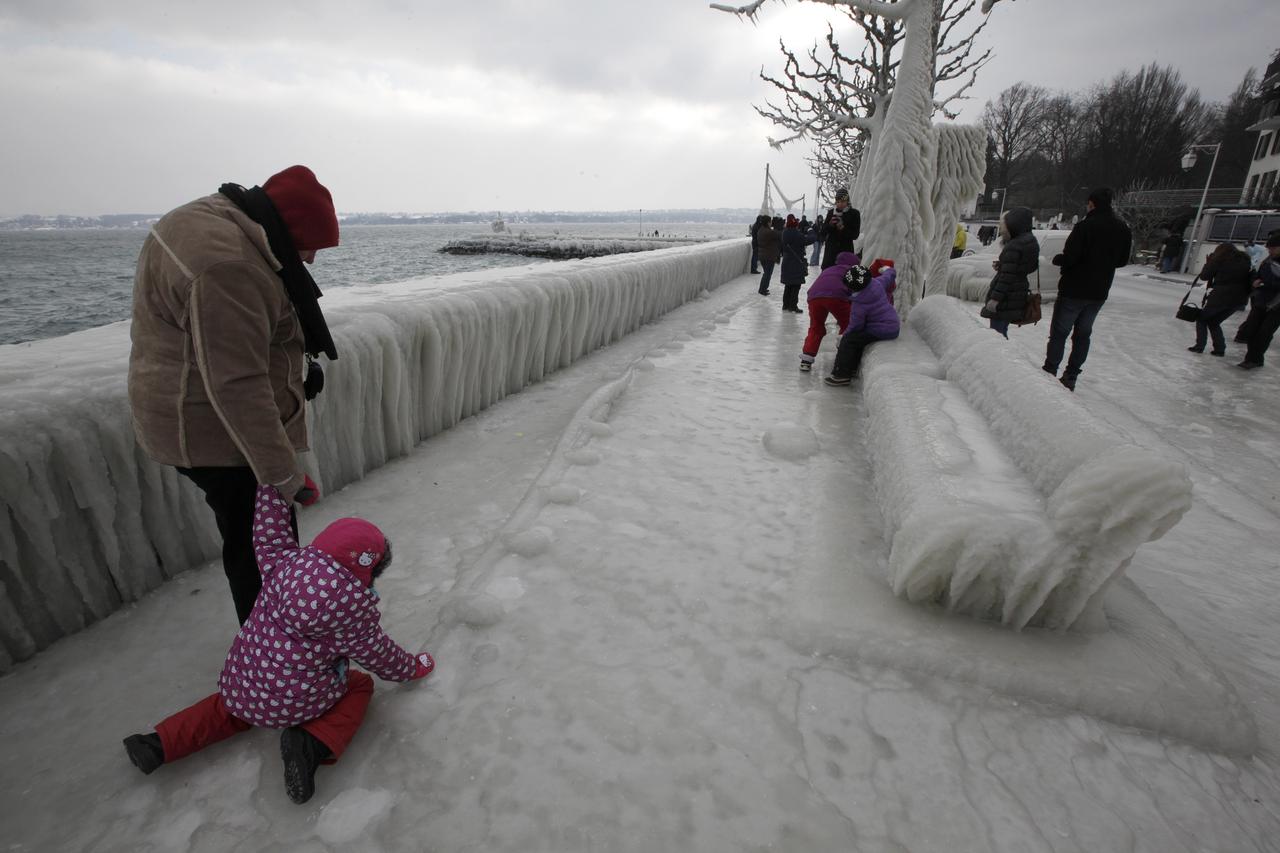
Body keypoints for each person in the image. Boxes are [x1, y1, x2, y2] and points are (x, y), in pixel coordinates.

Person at [123, 485, 436, 804]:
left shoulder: (281, 564)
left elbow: (269, 530)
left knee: (225, 707)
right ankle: (310, 743)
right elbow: (383, 658)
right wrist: (414, 668)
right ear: (365, 571)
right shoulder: (352, 614)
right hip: (295, 703)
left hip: (242, 681)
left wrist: (276, 487)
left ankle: (156, 745)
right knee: (359, 686)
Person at [128, 165, 341, 625]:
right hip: (213, 430)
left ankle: (273, 639)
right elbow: (236, 383)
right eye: (311, 247)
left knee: (253, 539)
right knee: (263, 547)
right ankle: (276, 654)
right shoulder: (230, 267)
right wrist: (284, 476)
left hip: (180, 405)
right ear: (289, 229)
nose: (311, 261)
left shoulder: (217, 214)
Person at [1041, 187, 1132, 392]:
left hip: (1074, 289)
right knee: (1083, 335)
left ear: (1091, 203)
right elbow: (1122, 261)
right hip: (1098, 291)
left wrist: (1059, 259)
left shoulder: (1085, 227)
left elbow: (1071, 257)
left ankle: (1049, 372)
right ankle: (1071, 375)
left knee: (1059, 333)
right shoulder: (1122, 228)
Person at [824, 264, 901, 386]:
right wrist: (886, 269)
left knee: (849, 341)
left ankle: (841, 375)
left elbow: (856, 326)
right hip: (892, 324)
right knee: (857, 338)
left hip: (880, 329)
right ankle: (852, 368)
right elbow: (890, 274)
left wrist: (843, 336)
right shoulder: (877, 283)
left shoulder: (859, 304)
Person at [981, 207, 1039, 339]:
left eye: (1004, 224)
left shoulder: (1015, 245)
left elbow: (1006, 277)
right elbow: (1029, 267)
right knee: (1001, 330)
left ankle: (997, 358)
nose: (1002, 229)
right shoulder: (1030, 241)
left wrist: (995, 299)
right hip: (1018, 292)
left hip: (1006, 297)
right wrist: (1003, 265)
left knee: (997, 334)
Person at [1187, 243, 1252, 357]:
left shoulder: (1220, 260)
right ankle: (1219, 349)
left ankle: (1199, 346)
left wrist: (1209, 262)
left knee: (1202, 319)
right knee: (1214, 322)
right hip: (1239, 299)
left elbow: (1204, 276)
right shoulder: (1245, 260)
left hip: (1221, 296)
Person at [799, 251, 860, 372]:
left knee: (816, 327)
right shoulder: (852, 272)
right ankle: (843, 353)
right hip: (837, 296)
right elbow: (856, 293)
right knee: (848, 324)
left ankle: (806, 359)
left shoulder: (829, 269)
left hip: (814, 297)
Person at [1239, 235, 1280, 370]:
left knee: (1264, 333)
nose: (1270, 251)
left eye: (1273, 248)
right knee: (1251, 329)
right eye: (1269, 248)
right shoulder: (1268, 260)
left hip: (1276, 305)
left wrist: (1264, 283)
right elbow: (1259, 273)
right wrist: (1256, 280)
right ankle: (1253, 358)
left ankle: (1254, 359)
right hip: (1261, 300)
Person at [779, 215, 817, 313]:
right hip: (796, 263)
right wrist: (810, 230)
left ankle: (785, 305)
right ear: (795, 225)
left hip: (787, 262)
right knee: (796, 285)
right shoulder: (797, 235)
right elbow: (811, 239)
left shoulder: (784, 233)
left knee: (788, 285)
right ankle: (793, 306)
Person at [820, 187, 861, 269]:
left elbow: (855, 235)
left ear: (847, 201)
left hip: (846, 252)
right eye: (838, 202)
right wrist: (830, 224)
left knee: (844, 277)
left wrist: (843, 228)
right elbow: (823, 232)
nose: (840, 204)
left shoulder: (854, 214)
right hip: (830, 254)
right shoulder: (831, 212)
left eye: (842, 201)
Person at [756, 216, 783, 295]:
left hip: (763, 255)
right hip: (769, 256)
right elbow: (779, 234)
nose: (771, 223)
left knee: (766, 273)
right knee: (767, 274)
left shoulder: (761, 230)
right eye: (770, 221)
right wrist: (779, 226)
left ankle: (763, 288)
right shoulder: (768, 232)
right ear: (768, 222)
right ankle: (762, 289)